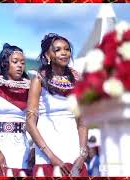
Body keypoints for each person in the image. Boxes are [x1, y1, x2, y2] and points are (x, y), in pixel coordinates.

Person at [26, 33, 88, 176]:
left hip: (74, 155)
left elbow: (82, 121)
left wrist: (82, 155)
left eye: (67, 49)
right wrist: (52, 157)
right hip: (47, 156)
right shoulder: (39, 81)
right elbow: (30, 123)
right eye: (58, 49)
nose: (64, 53)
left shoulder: (78, 81)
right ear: (47, 56)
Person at [0, 43, 31, 176]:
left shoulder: (30, 87)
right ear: (5, 64)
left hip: (22, 144)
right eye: (15, 62)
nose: (20, 65)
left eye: (22, 62)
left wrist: (33, 148)